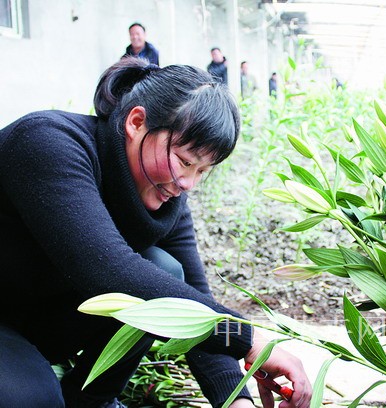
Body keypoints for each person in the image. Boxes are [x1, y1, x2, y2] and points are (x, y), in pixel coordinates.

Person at [0, 57, 311, 408]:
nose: (187, 183)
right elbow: (108, 271)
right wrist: (246, 338)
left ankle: (91, 401)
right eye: (185, 160)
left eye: (203, 171)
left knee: (166, 272)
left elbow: (193, 297)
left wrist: (235, 400)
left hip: (34, 320)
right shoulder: (48, 142)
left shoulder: (165, 196)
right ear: (136, 122)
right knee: (30, 398)